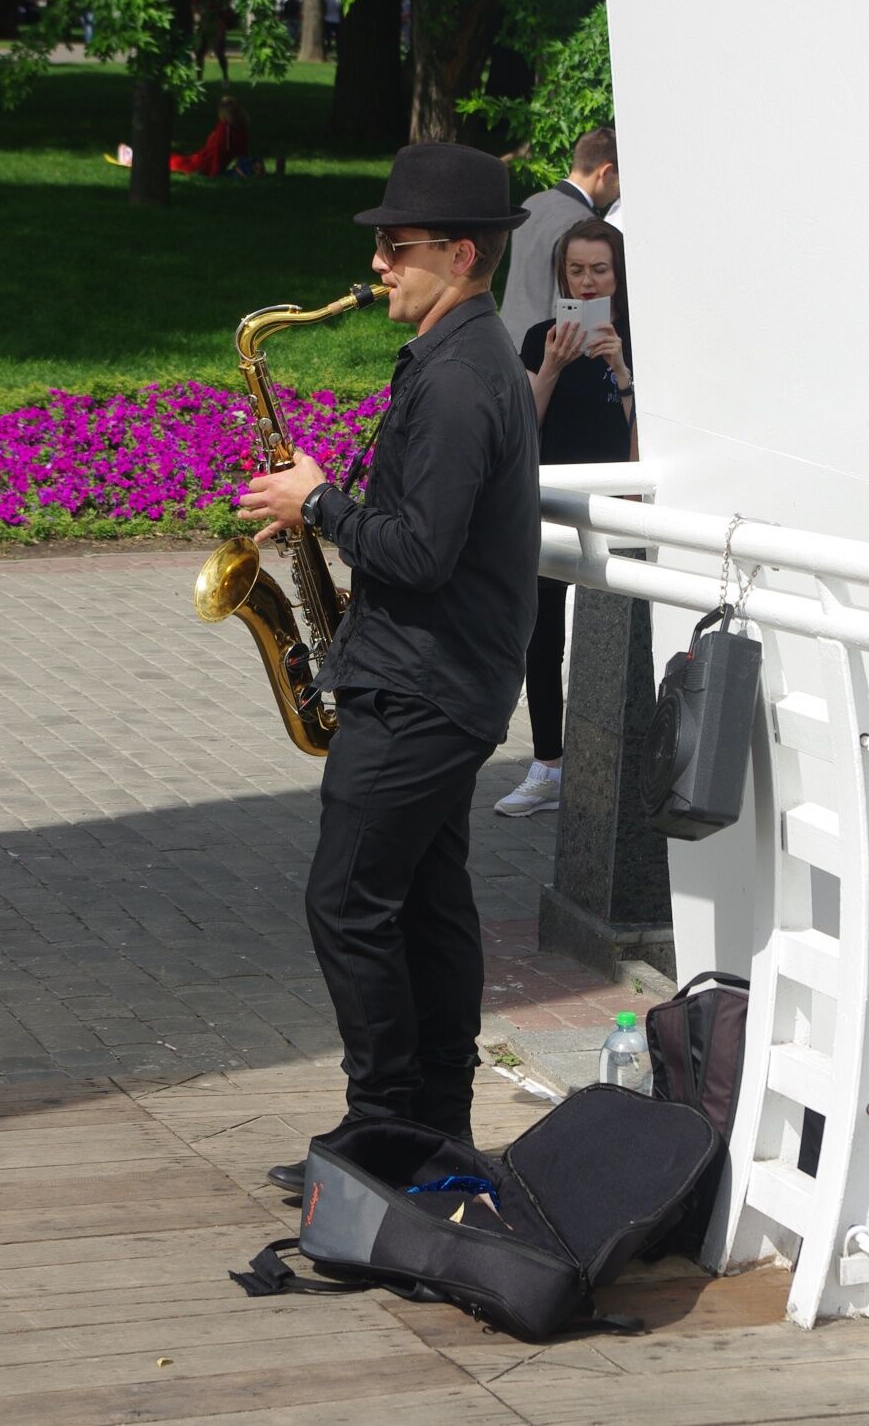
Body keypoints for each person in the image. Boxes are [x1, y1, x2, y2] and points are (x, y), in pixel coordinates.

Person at [236, 142, 540, 1187]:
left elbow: (420, 549)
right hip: (433, 677)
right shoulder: (461, 358)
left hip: (424, 686)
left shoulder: (461, 382)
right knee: (427, 902)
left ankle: (376, 1135)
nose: (377, 267)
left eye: (395, 248)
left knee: (348, 899)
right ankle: (434, 1130)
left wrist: (316, 504)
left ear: (458, 255)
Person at [495, 216, 635, 817]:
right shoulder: (540, 337)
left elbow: (651, 442)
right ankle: (548, 764)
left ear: (619, 276)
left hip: (616, 504)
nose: (585, 282)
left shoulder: (639, 337)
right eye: (575, 270)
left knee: (618, 634)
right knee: (541, 632)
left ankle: (623, 765)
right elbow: (521, 427)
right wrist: (550, 365)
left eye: (598, 270)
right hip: (551, 499)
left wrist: (622, 373)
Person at [500, 127, 622, 348]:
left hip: (507, 340)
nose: (619, 191)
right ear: (606, 172)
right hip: (545, 352)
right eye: (620, 181)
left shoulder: (531, 203)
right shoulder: (582, 225)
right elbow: (568, 304)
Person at [168, 94, 249, 175]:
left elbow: (219, 150)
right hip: (209, 160)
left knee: (174, 161)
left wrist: (214, 172)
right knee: (177, 159)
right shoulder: (241, 127)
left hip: (206, 163)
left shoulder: (224, 127)